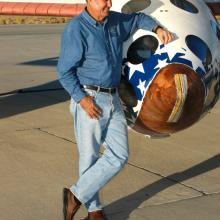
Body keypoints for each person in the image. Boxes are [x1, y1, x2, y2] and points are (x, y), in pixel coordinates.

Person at [57, 0, 174, 219]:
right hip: (90, 99)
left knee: (119, 155)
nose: (109, 4)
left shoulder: (115, 21)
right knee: (89, 158)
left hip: (113, 98)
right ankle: (95, 212)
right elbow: (64, 71)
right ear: (90, 1)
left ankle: (75, 195)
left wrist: (156, 28)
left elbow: (138, 18)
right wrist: (82, 99)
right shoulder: (76, 29)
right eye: (104, 0)